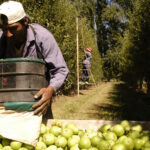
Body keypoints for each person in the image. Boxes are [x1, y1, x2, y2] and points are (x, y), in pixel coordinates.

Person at [0, 1, 69, 118]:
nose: (8, 34)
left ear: (25, 21)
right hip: (7, 107)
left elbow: (60, 70)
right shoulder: (1, 38)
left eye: (13, 28)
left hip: (38, 105)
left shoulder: (42, 37)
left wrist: (50, 90)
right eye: (4, 29)